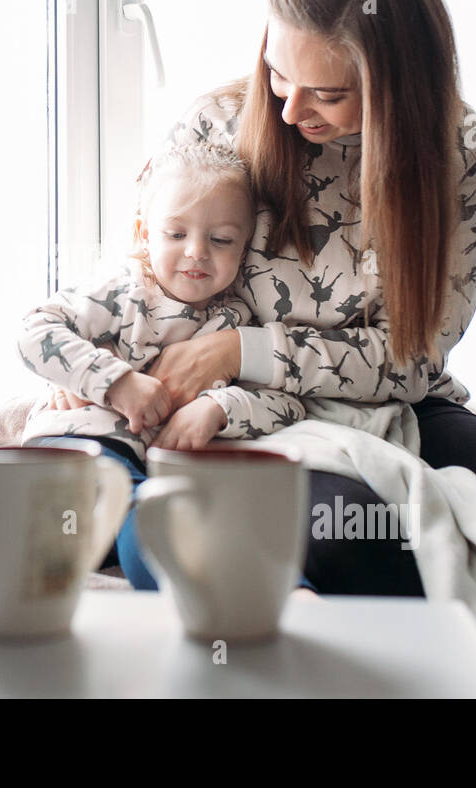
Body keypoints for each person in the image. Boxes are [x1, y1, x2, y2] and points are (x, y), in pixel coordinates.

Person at [43, 0, 476, 698]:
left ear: (398, 87)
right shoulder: (217, 125)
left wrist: (238, 349)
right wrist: (96, 370)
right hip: (254, 411)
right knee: (361, 538)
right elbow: (146, 274)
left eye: (327, 93)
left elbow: (411, 360)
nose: (290, 109)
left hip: (391, 398)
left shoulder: (468, 153)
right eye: (278, 73)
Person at [19, 141, 307, 589]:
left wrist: (218, 407)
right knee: (147, 513)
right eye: (176, 234)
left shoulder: (234, 323)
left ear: (245, 247)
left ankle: (284, 595)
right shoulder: (122, 290)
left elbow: (288, 406)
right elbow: (35, 331)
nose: (196, 252)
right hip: (79, 452)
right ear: (143, 233)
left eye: (221, 240)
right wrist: (113, 382)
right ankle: (200, 591)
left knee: (212, 516)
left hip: (159, 473)